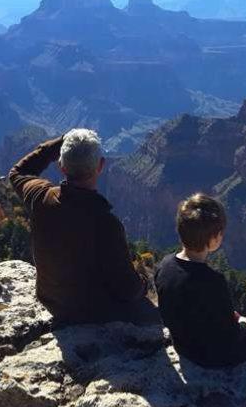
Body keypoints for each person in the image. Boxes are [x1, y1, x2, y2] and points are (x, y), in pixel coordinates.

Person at [9, 128, 155, 326]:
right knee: (153, 315)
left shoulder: (40, 197)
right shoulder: (105, 223)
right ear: (101, 166)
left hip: (51, 301)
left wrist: (61, 141)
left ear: (61, 166)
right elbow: (127, 288)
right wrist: (144, 284)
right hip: (91, 314)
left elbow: (18, 172)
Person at [154, 193, 246, 367]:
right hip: (212, 356)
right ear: (214, 239)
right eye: (220, 233)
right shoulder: (213, 281)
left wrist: (225, 317)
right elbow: (230, 336)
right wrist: (243, 324)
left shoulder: (163, 266)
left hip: (182, 347)